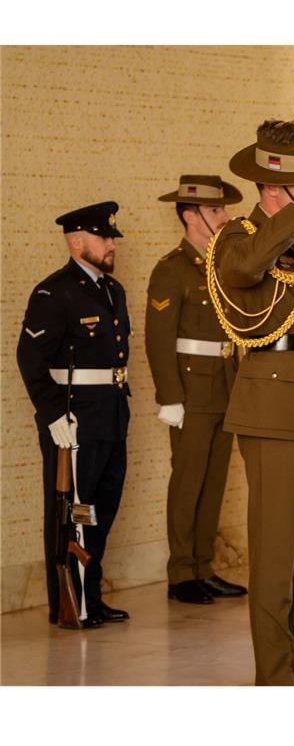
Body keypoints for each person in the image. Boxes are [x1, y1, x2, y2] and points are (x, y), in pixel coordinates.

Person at [210, 119, 294, 685]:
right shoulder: (238, 235)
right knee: (274, 558)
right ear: (277, 188)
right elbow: (243, 270)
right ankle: (274, 676)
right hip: (275, 413)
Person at [17, 201, 132, 628]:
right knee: (73, 515)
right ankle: (70, 605)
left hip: (112, 415)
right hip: (74, 421)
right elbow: (30, 360)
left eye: (111, 238)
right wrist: (52, 415)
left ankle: (93, 599)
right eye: (104, 238)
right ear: (76, 240)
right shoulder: (55, 292)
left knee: (101, 512)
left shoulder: (111, 290)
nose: (111, 245)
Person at [147, 175, 248, 605]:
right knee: (188, 481)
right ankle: (181, 572)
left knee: (214, 481)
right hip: (190, 390)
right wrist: (170, 396)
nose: (223, 217)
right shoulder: (171, 268)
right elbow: (158, 337)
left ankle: (203, 565)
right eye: (215, 211)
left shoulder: (222, 264)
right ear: (190, 216)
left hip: (225, 385)